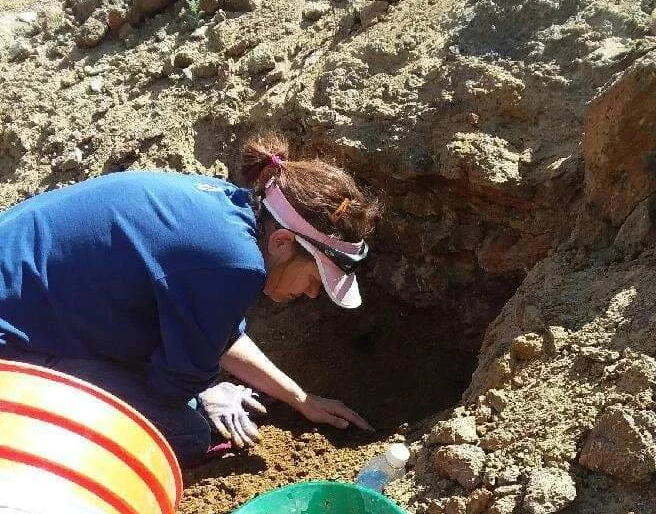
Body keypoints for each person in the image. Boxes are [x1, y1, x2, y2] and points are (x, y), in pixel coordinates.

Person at [0, 135, 380, 466]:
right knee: (187, 435)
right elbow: (170, 389)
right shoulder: (234, 264)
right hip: (12, 346)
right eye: (315, 279)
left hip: (26, 299)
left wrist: (301, 399)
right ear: (282, 242)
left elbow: (222, 336)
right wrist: (204, 393)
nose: (312, 293)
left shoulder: (226, 207)